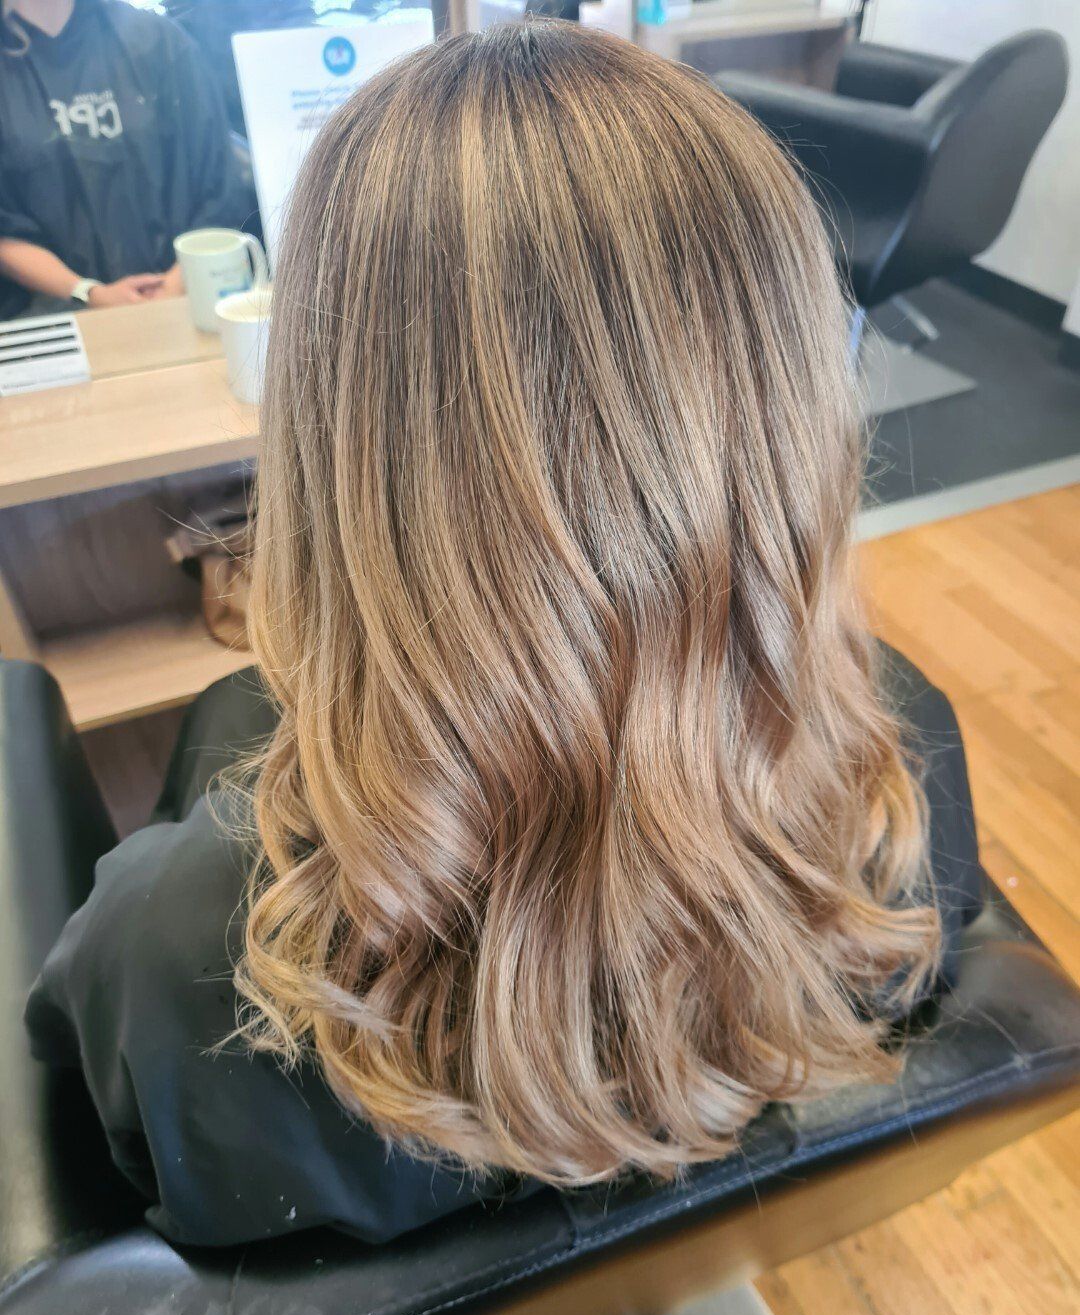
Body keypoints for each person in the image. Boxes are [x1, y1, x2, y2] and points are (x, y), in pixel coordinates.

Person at [24, 23, 981, 1247]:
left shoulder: (181, 958)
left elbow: (96, 1154)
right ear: (790, 415)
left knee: (227, 720)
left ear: (335, 442)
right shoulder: (910, 791)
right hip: (675, 1271)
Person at [0, 0, 245, 318]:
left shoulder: (158, 42)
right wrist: (88, 292)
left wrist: (173, 284)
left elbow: (217, 184)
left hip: (182, 299)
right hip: (54, 317)